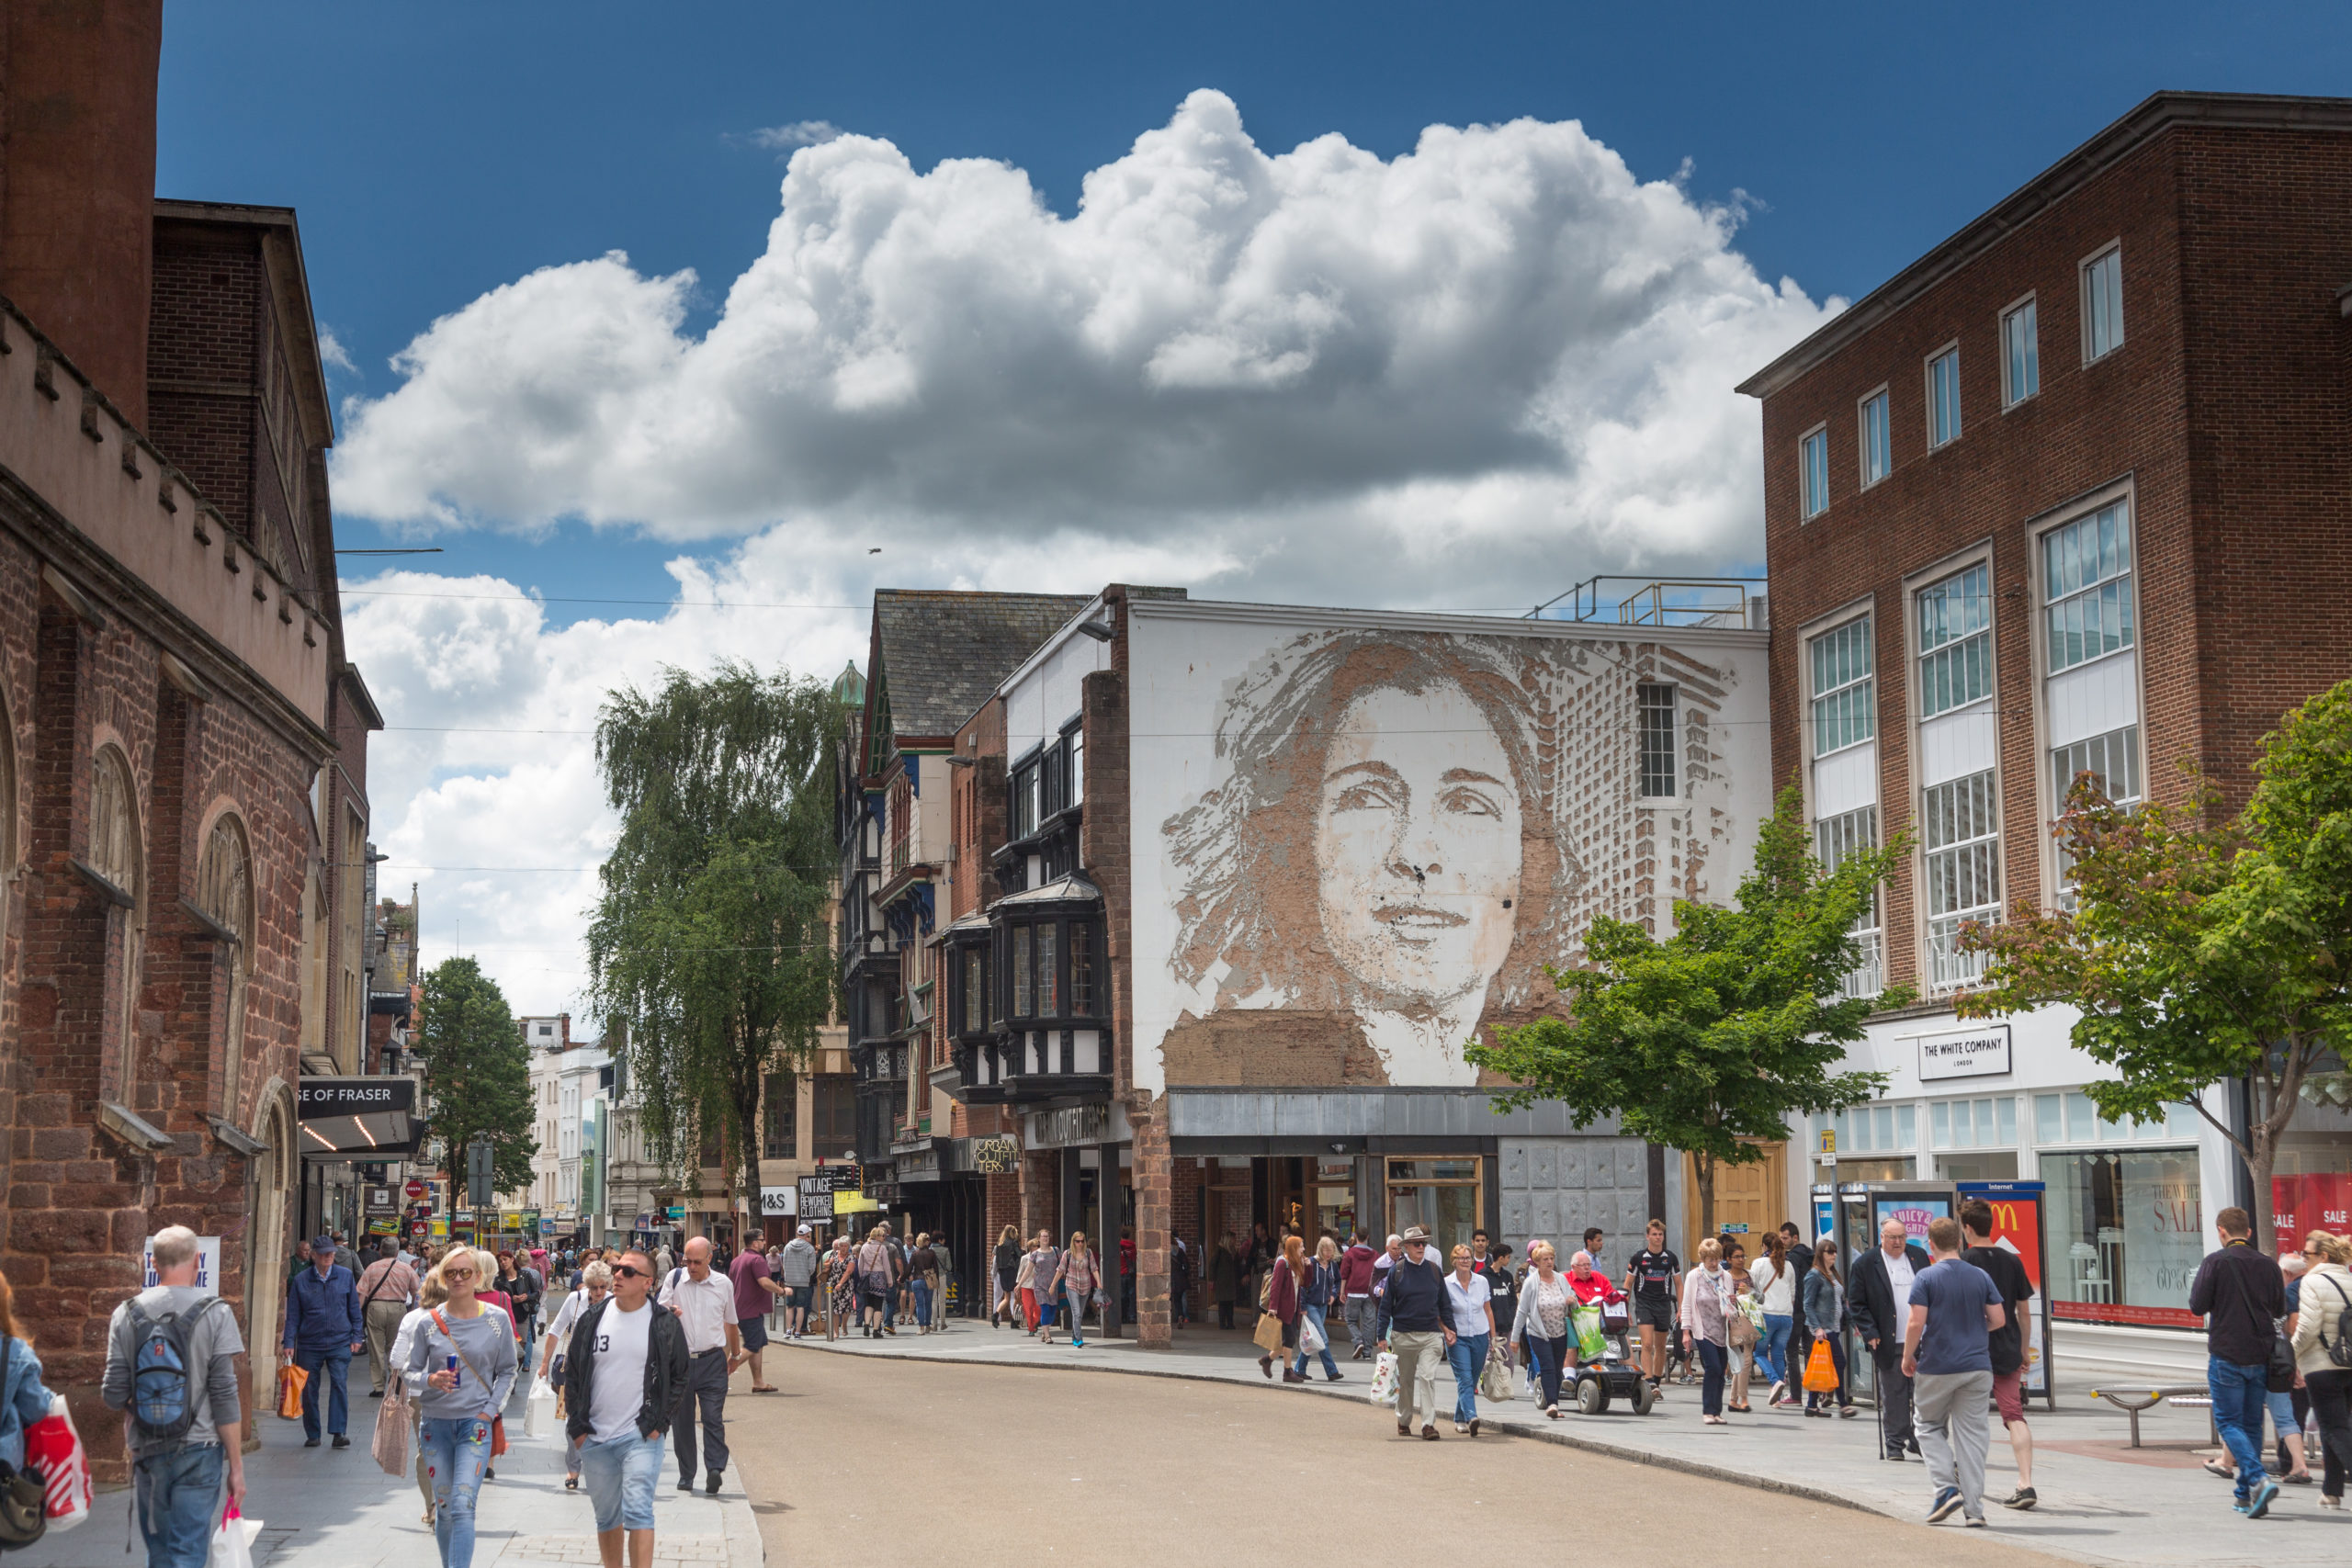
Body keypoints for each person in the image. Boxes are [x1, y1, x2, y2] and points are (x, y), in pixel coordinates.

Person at [100, 1228, 241, 1568]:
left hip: (148, 1447)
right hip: (200, 1448)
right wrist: (236, 1467)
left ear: (153, 1261)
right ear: (197, 1260)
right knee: (188, 1549)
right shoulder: (217, 1313)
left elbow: (112, 1393)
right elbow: (225, 1394)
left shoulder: (126, 1313)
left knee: (160, 1551)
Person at [566, 1250, 690, 1568]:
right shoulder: (592, 1318)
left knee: (638, 1511)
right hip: (595, 1437)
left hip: (640, 1436)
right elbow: (575, 1373)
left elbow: (680, 1375)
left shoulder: (663, 1323)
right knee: (607, 1517)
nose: (617, 1275)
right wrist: (577, 1429)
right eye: (617, 1269)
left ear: (648, 1282)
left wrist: (659, 1424)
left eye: (628, 1272)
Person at [405, 1246, 518, 1568]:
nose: (458, 1279)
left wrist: (489, 1410)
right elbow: (408, 1372)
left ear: (478, 1277)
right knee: (444, 1506)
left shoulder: (496, 1320)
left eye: (465, 1272)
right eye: (451, 1273)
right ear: (442, 1278)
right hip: (436, 1425)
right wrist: (430, 1380)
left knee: (463, 1505)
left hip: (475, 1425)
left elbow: (508, 1369)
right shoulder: (428, 1323)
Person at [1902, 1215, 2005, 1529]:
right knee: (1972, 1438)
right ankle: (1974, 1511)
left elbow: (1916, 1322)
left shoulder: (1926, 1277)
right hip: (1977, 1367)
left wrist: (1908, 1356)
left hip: (1938, 1365)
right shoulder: (1980, 1276)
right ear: (1960, 1242)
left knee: (1927, 1425)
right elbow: (1999, 1319)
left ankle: (1946, 1488)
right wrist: (1975, 1330)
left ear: (1930, 1245)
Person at [2188, 1205, 2287, 1519]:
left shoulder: (2215, 1262)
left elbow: (2197, 1306)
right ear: (2249, 1232)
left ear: (2221, 1231)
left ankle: (2257, 1478)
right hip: (2260, 1354)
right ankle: (2244, 1494)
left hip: (2227, 1353)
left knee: (2229, 1423)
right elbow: (2279, 1308)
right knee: (2252, 1423)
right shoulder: (2269, 1265)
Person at [1960, 1200, 2039, 1508]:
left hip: (1972, 1349)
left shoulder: (1963, 1261)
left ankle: (1965, 1474)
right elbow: (2024, 1312)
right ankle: (2026, 1483)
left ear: (1967, 1228)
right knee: (2014, 1416)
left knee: (1968, 1417)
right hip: (2007, 1347)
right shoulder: (2012, 1261)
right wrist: (2024, 1350)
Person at [657, 1236, 743, 1496]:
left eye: (696, 1261)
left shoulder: (723, 1284)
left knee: (712, 1417)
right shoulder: (674, 1278)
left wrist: (736, 1355)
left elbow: (731, 1322)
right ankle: (687, 1474)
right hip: (680, 1362)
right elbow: (658, 1312)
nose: (691, 1266)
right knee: (682, 1421)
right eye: (687, 1260)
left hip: (712, 1360)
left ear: (709, 1258)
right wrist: (669, 1312)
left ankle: (715, 1468)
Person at [1849, 1218, 1931, 1461]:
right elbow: (1857, 1303)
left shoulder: (1918, 1256)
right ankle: (1895, 1442)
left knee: (1923, 1392)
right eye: (1893, 1237)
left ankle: (1919, 1439)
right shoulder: (1866, 1263)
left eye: (1902, 1237)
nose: (1898, 1242)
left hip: (1922, 1339)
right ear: (1881, 1237)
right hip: (1888, 1338)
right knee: (1894, 1393)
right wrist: (1870, 1332)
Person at [281, 1231, 365, 1449]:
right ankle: (313, 1433)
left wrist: (357, 1335)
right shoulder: (301, 1280)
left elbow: (354, 1309)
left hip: (339, 1341)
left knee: (338, 1384)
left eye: (332, 1253)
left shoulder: (345, 1276)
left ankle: (338, 1432)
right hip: (310, 1343)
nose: (329, 1257)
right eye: (324, 1254)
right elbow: (293, 1315)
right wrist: (289, 1342)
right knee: (309, 1390)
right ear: (314, 1256)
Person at [2290, 1230, 2352, 1512]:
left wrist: (2292, 1354)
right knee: (2337, 1426)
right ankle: (2331, 1491)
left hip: (2321, 1366)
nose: (2303, 1259)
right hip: (2348, 1363)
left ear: (2322, 1256)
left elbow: (2308, 1326)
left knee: (2333, 1427)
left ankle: (2334, 1489)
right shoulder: (2349, 1279)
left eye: (2307, 1254)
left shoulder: (2312, 1281)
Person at [1376, 1226, 1458, 1439]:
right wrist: (1380, 1336)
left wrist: (1451, 1330)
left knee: (1427, 1377)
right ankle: (1403, 1419)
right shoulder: (1397, 1271)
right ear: (1407, 1247)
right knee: (1406, 1381)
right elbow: (1386, 1305)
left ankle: (1428, 1425)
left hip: (1431, 1335)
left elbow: (1444, 1303)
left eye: (1423, 1243)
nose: (1421, 1247)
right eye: (1416, 1244)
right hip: (1403, 1335)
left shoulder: (1433, 1270)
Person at [540, 1260, 612, 1492]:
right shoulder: (576, 1299)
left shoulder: (614, 1302)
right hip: (575, 1369)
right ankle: (573, 1468)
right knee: (575, 1419)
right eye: (593, 1287)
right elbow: (555, 1330)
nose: (598, 1292)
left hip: (605, 1369)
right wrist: (544, 1363)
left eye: (602, 1287)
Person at [1512, 1243, 1575, 1416]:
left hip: (1560, 1332)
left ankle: (1553, 1399)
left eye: (1551, 1258)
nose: (1549, 1262)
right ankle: (1553, 1404)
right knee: (1547, 1366)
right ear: (1537, 1262)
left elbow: (1572, 1300)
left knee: (1557, 1368)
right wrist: (1515, 1338)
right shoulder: (1531, 1283)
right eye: (1545, 1259)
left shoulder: (1561, 1279)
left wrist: (1572, 1300)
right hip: (1539, 1333)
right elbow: (1522, 1311)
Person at [1442, 1243, 1496, 1435]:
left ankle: (1459, 1418)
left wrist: (1493, 1337)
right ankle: (1472, 1416)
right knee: (1464, 1378)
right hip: (1458, 1338)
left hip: (1480, 1335)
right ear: (1454, 1261)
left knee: (1471, 1379)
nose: (1465, 1261)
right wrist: (1445, 1330)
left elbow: (1488, 1309)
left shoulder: (1481, 1282)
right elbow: (1439, 1312)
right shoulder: (1446, 1284)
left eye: (1468, 1258)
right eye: (1461, 1258)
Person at [357, 1238, 420, 1398]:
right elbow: (417, 1292)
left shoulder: (372, 1268)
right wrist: (414, 1312)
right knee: (395, 1346)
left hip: (376, 1307)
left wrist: (357, 1316)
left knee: (376, 1347)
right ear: (397, 1252)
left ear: (380, 1251)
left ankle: (378, 1387)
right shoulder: (406, 1269)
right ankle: (396, 1378)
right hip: (397, 1307)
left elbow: (362, 1293)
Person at [1802, 1240, 1857, 1419]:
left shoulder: (1832, 1274)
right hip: (1823, 1329)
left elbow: (1841, 1302)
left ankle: (1811, 1405)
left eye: (1835, 1251)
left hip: (1833, 1327)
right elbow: (1808, 1304)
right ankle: (1843, 1404)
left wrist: (1854, 1323)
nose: (1833, 1255)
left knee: (1823, 1365)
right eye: (1829, 1252)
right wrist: (1817, 1328)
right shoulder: (1814, 1275)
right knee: (1839, 1362)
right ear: (1820, 1254)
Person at [1679, 1237, 1733, 1425]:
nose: (1714, 1263)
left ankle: (1717, 1411)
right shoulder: (1694, 1276)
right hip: (1703, 1330)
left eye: (1716, 1258)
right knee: (1713, 1368)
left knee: (1721, 1371)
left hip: (1722, 1331)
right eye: (1710, 1259)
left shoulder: (1726, 1276)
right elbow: (1687, 1304)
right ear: (1703, 1258)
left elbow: (1730, 1304)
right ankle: (1708, 1411)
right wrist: (1686, 1331)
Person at [1624, 1220, 1679, 1395]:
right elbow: (1627, 1285)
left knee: (1661, 1346)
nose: (1657, 1237)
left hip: (1663, 1304)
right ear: (1647, 1236)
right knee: (1647, 1344)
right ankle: (1648, 1381)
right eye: (1654, 1234)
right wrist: (1624, 1309)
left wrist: (1681, 1309)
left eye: (1660, 1234)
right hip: (1644, 1304)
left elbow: (1679, 1284)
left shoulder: (1670, 1258)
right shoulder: (1638, 1258)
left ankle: (1656, 1380)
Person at [727, 1230, 783, 1389]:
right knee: (752, 1345)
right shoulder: (757, 1260)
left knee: (757, 1344)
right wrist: (782, 1291)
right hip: (751, 1309)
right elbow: (764, 1282)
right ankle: (721, 1375)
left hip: (740, 1307)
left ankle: (758, 1382)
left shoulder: (737, 1260)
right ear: (755, 1243)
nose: (764, 1243)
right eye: (762, 1240)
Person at [1288, 1236, 1345, 1382]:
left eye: (1331, 1250)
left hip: (1323, 1305)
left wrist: (1333, 1294)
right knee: (1322, 1339)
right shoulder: (1311, 1263)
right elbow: (1303, 1285)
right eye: (1326, 1249)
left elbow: (1338, 1281)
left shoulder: (1332, 1265)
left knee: (1312, 1338)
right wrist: (1303, 1306)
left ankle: (1300, 1370)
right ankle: (1332, 1371)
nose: (1329, 1253)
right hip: (1311, 1305)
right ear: (1320, 1249)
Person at [1750, 1232, 1796, 1407]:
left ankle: (1775, 1382)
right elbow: (1793, 1293)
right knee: (1778, 1354)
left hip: (1766, 1314)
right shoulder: (1789, 1266)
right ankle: (1777, 1395)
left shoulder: (1759, 1263)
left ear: (1764, 1246)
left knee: (1759, 1353)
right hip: (1786, 1316)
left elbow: (1754, 1290)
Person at [1261, 1235, 1306, 1381]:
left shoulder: (1296, 1263)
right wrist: (1273, 1307)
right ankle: (1287, 1372)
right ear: (1293, 1248)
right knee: (1290, 1339)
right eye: (1301, 1246)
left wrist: (1308, 1267)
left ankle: (1267, 1360)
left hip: (1293, 1309)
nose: (1303, 1249)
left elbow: (1306, 1283)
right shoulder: (1282, 1263)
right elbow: (1275, 1287)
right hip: (1283, 1309)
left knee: (1287, 1340)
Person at [1050, 1230, 1099, 1348]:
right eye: (1078, 1241)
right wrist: (1052, 1285)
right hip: (1071, 1284)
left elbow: (1094, 1268)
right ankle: (1079, 1338)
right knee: (1076, 1313)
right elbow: (1060, 1270)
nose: (1080, 1244)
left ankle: (1074, 1335)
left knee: (1080, 1314)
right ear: (1073, 1242)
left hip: (1085, 1285)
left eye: (1082, 1241)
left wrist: (1099, 1282)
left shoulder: (1088, 1253)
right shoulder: (1067, 1254)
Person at [1338, 1234, 1379, 1360]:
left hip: (1353, 1291)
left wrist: (1342, 1292)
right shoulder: (1375, 1254)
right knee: (1369, 1322)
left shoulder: (1349, 1253)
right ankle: (1367, 1352)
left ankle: (1358, 1341)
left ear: (1356, 1237)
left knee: (1350, 1320)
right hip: (1369, 1291)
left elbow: (1344, 1274)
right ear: (1368, 1237)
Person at [777, 1224, 820, 1341]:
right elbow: (812, 1267)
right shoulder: (809, 1248)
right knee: (801, 1307)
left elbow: (784, 1263)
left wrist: (788, 1275)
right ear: (807, 1234)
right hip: (803, 1281)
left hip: (790, 1280)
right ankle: (797, 1332)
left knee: (790, 1307)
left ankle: (788, 1330)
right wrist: (806, 1275)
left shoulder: (787, 1247)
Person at [822, 1236, 857, 1340]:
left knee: (846, 1308)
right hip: (833, 1283)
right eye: (841, 1246)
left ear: (849, 1246)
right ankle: (836, 1332)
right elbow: (825, 1264)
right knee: (835, 1309)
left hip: (846, 1285)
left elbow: (849, 1272)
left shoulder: (851, 1257)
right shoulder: (833, 1254)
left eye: (845, 1246)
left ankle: (844, 1325)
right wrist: (830, 1262)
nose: (843, 1248)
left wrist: (841, 1284)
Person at [991, 1225, 1023, 1328]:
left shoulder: (999, 1245)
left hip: (1003, 1274)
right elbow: (1019, 1255)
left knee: (1006, 1298)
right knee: (1017, 1297)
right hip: (1012, 1272)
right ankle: (1015, 1320)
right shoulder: (1014, 1243)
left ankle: (995, 1315)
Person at [908, 1233, 940, 1332]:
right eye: (928, 1240)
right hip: (929, 1280)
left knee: (920, 1304)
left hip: (917, 1280)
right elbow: (936, 1268)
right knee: (928, 1304)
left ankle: (921, 1327)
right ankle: (927, 1325)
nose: (930, 1242)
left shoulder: (915, 1253)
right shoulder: (931, 1253)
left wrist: (902, 1277)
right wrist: (936, 1280)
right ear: (926, 1242)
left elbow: (909, 1268)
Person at [1210, 1232, 1241, 1330]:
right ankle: (1222, 1323)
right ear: (1228, 1239)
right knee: (1223, 1303)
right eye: (1233, 1239)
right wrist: (1212, 1279)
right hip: (1222, 1280)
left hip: (1230, 1280)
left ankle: (1230, 1323)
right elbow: (1212, 1265)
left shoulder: (1233, 1251)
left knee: (1230, 1303)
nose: (1234, 1241)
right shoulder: (1220, 1251)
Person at [1170, 1235, 1193, 1327]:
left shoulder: (1164, 1252)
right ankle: (1180, 1315)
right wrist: (1184, 1274)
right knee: (1178, 1300)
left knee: (1169, 1299)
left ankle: (1168, 1318)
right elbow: (1187, 1265)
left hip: (1170, 1279)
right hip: (1180, 1279)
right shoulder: (1180, 1251)